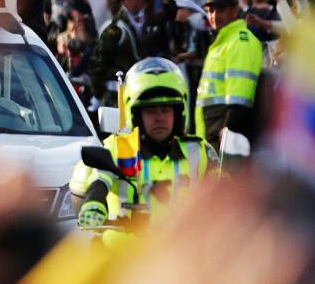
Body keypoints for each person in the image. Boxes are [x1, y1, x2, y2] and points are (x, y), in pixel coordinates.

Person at [71, 58, 217, 245]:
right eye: (150, 111)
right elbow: (101, 178)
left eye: (165, 109)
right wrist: (95, 202)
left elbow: (223, 191)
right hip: (124, 258)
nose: (159, 118)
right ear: (136, 114)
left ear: (178, 112)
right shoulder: (121, 147)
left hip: (181, 257)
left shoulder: (198, 151)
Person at [195, 0, 262, 148]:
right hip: (212, 127)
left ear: (235, 11)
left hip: (223, 130)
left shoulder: (240, 41)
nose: (215, 15)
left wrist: (228, 132)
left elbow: (240, 98)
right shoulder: (223, 41)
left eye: (221, 9)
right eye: (211, 10)